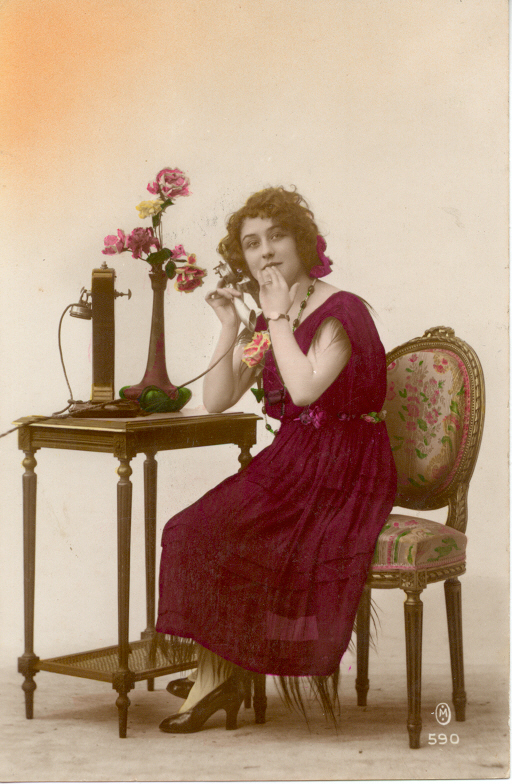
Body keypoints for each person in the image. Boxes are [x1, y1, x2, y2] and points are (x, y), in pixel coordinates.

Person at [156, 187, 397, 733]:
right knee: (191, 529)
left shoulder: (341, 312)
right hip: (295, 458)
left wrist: (277, 317)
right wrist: (229, 325)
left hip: (346, 465)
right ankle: (222, 668)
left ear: (303, 243)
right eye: (251, 243)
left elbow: (306, 390)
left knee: (237, 533)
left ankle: (215, 678)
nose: (265, 251)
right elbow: (218, 397)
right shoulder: (269, 324)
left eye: (277, 236)